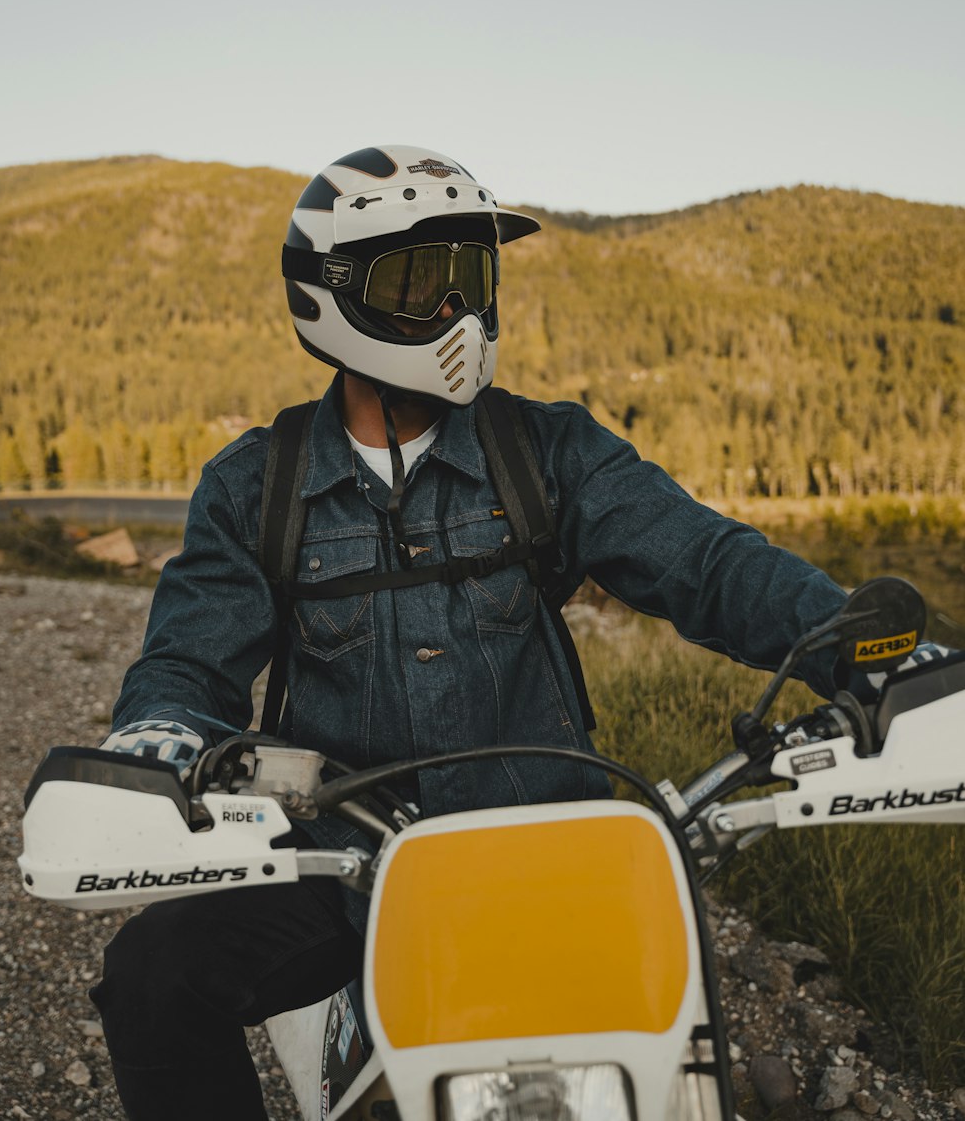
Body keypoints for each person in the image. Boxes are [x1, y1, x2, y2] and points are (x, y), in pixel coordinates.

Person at [90, 144, 853, 1120]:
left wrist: (864, 651)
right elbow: (189, 658)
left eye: (472, 279)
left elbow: (706, 564)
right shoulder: (257, 484)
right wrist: (161, 736)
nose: (458, 313)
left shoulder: (549, 449)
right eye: (421, 281)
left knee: (676, 1067)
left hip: (556, 845)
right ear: (334, 293)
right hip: (348, 863)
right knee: (153, 976)